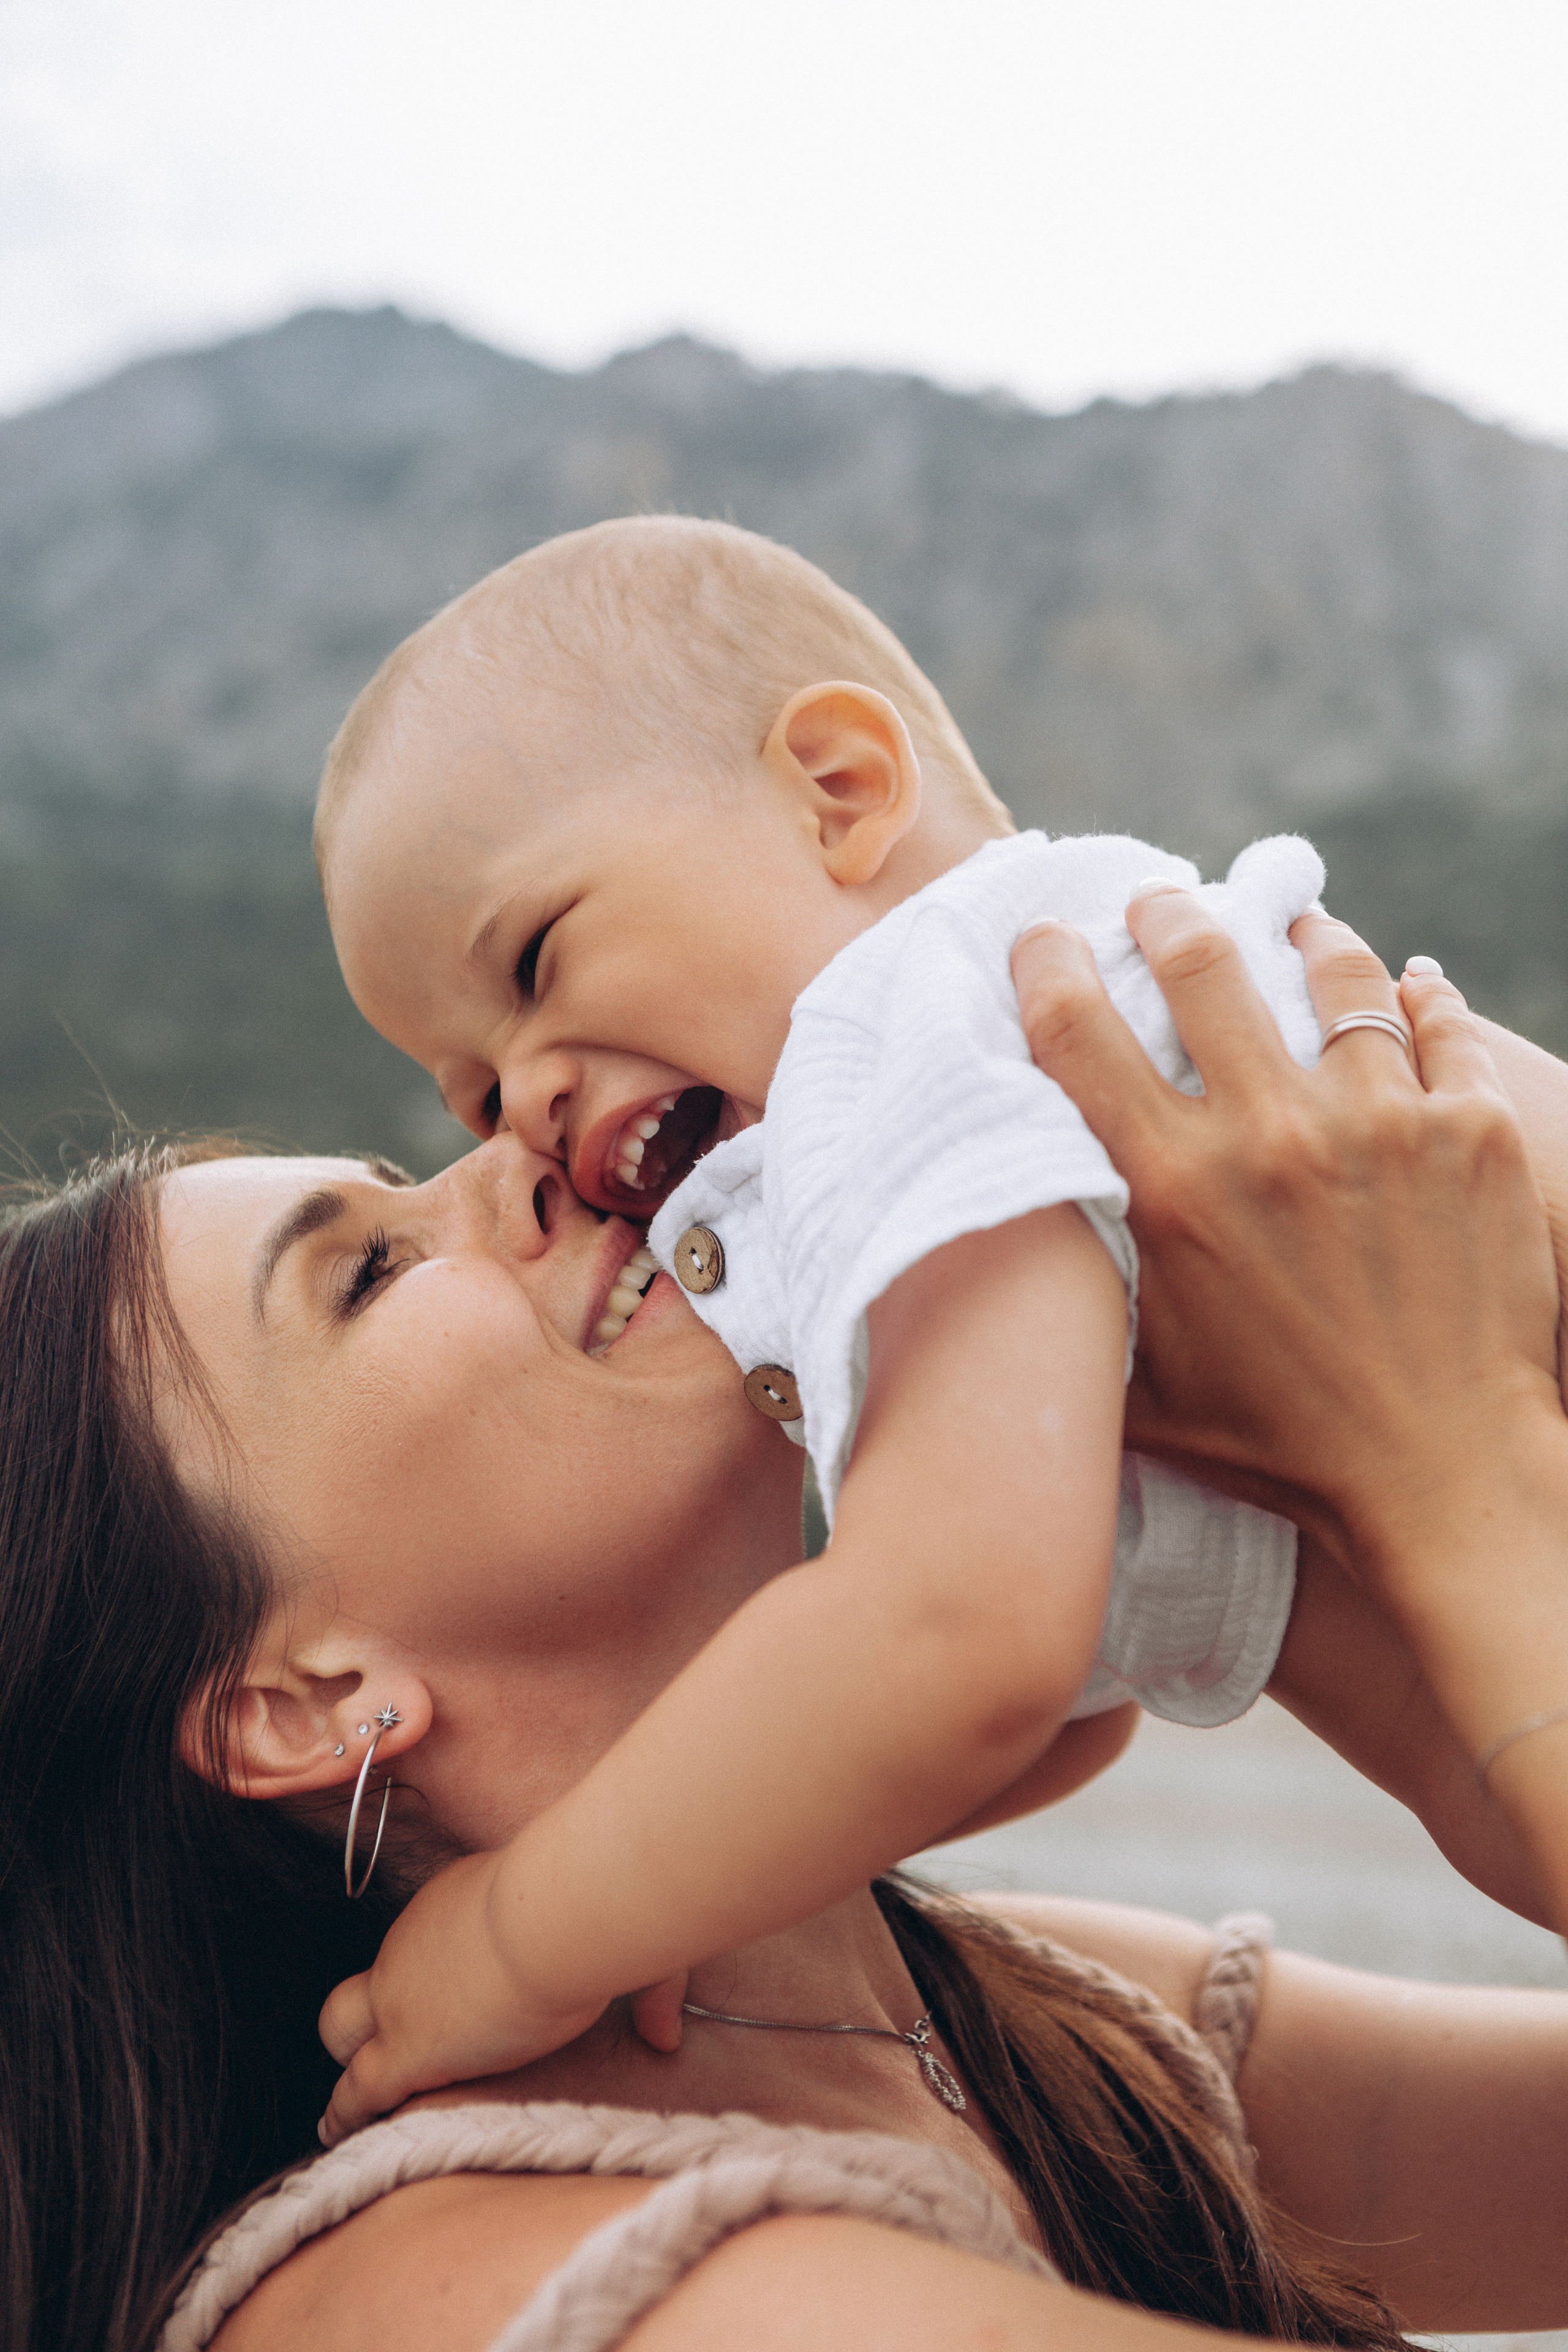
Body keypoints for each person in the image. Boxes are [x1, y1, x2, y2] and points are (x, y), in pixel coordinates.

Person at [6, 920, 1568, 2352]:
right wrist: (1448, 1466)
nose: (504, 1160)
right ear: (302, 1703)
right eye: (367, 1270)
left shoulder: (1016, 2025)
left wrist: (1297, 1488)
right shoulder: (507, 2295)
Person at [307, 514, 1529, 2138]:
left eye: (531, 960)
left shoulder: (902, 1032)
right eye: (468, 1086)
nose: (519, 1107)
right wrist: (722, 1842)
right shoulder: (984, 1128)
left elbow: (961, 1639)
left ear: (838, 792)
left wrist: (539, 1926)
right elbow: (1054, 1682)